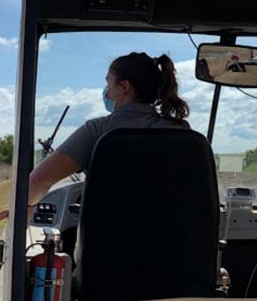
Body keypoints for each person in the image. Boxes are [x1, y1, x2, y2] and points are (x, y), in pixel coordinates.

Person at [26, 52, 190, 218]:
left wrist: (28, 207)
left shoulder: (97, 130)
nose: (106, 92)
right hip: (175, 242)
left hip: (105, 244)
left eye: (108, 83)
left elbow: (38, 180)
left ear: (124, 87)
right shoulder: (182, 132)